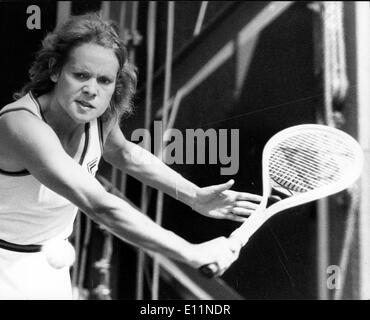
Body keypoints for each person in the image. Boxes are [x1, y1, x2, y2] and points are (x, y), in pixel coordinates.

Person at [0, 13, 262, 299]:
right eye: (80, 75)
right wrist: (190, 252)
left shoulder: (96, 118)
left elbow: (125, 153)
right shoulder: (20, 125)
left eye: (104, 80)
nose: (91, 90)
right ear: (54, 70)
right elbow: (101, 206)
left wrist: (194, 196)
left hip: (50, 263)